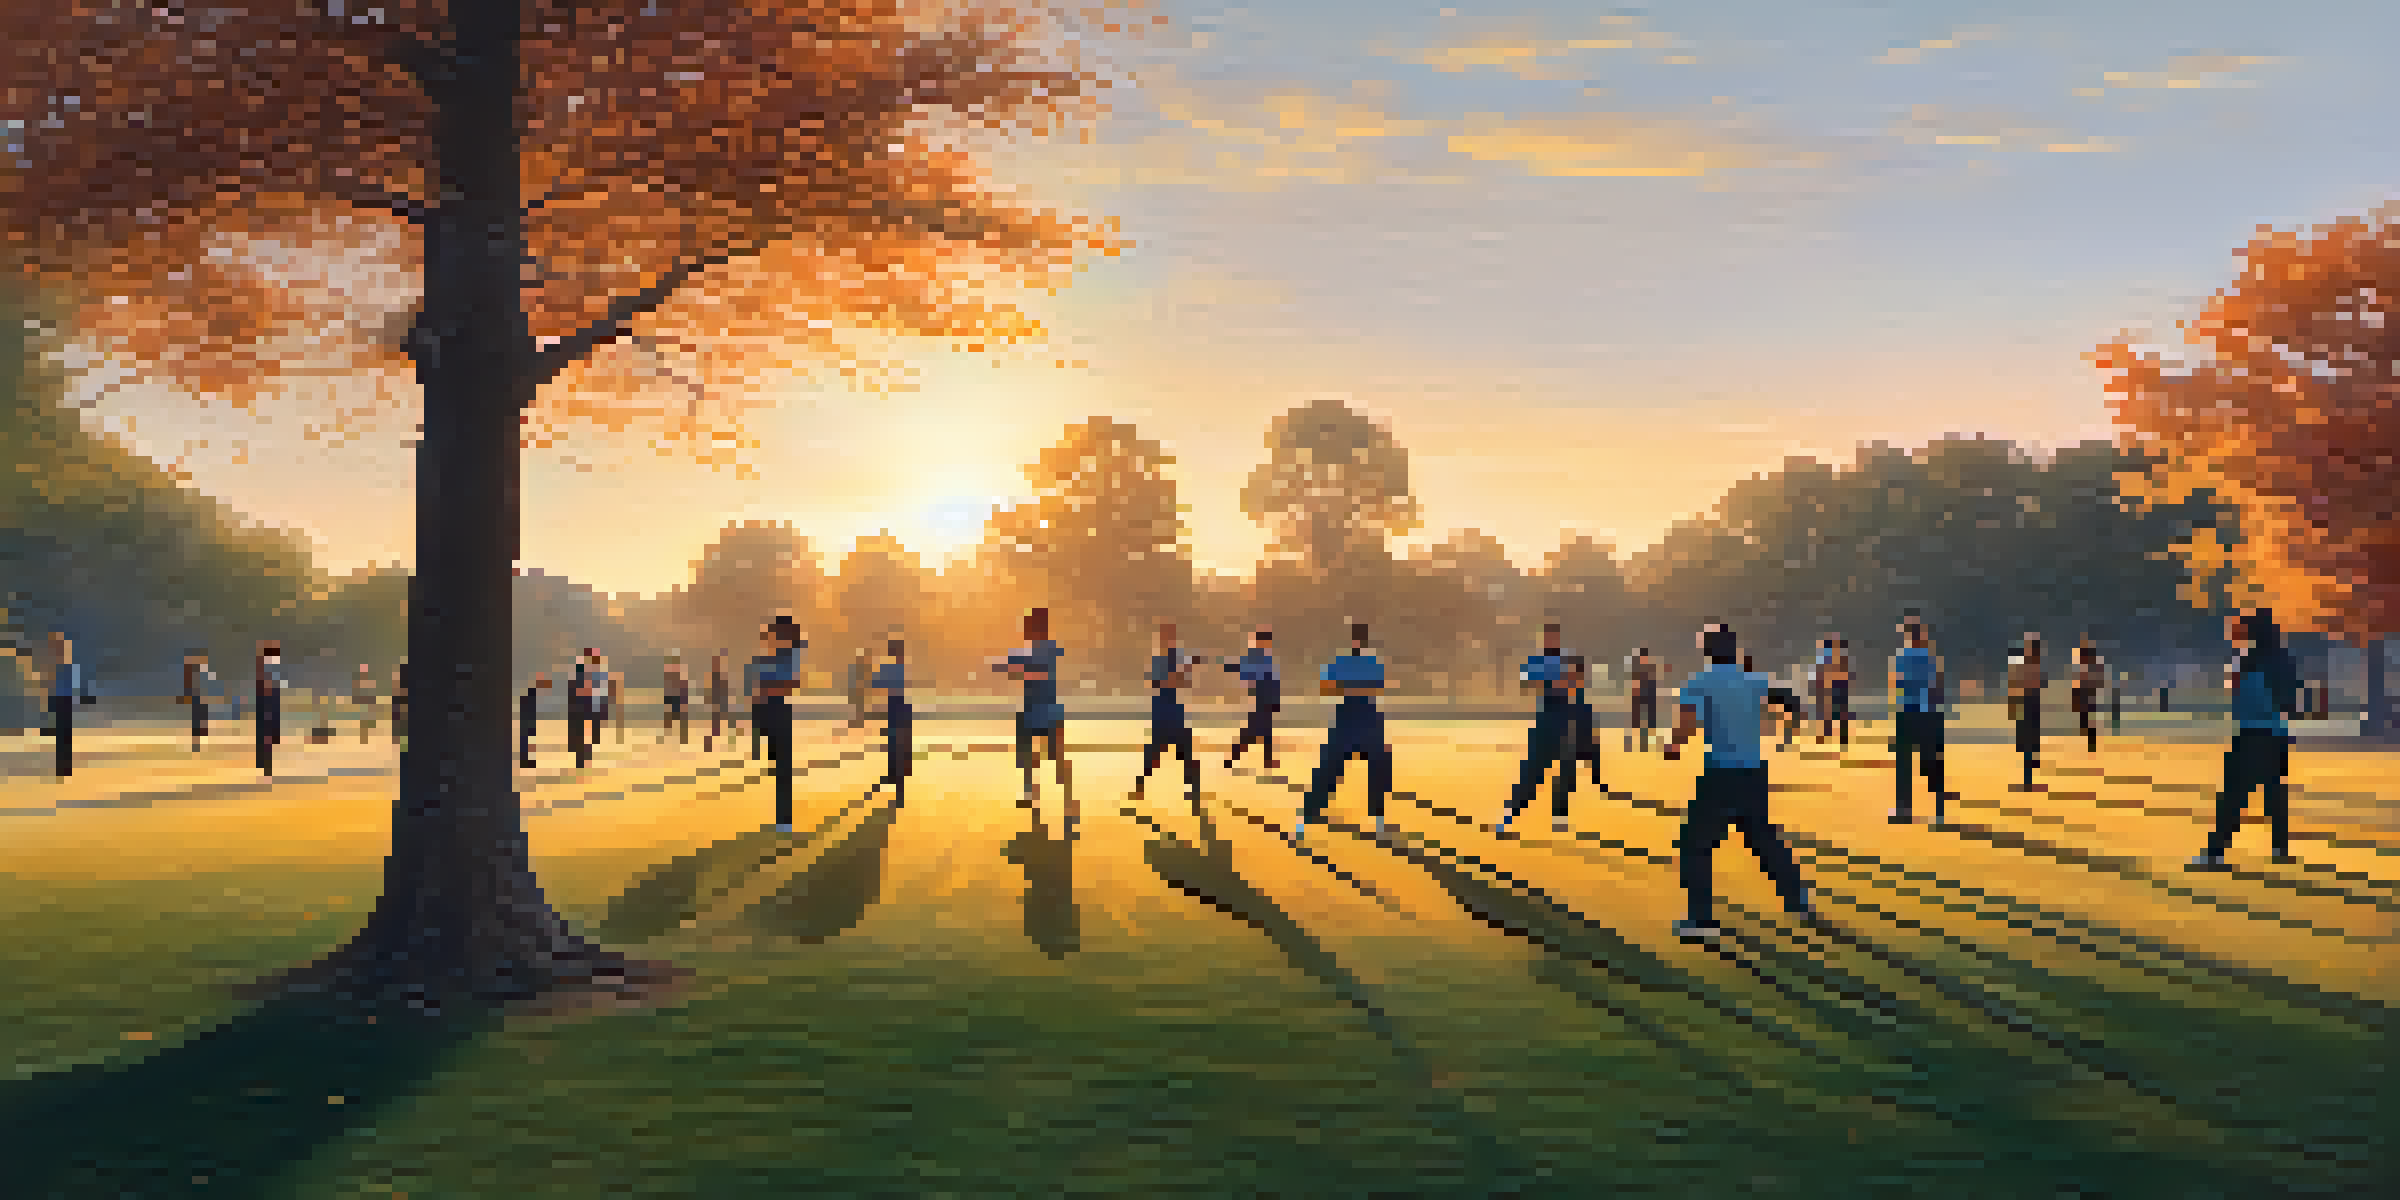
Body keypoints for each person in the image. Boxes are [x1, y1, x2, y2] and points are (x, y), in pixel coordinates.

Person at [1663, 622, 1813, 941]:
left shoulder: (1699, 682)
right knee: (1764, 839)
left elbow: (1687, 725)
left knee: (1695, 844)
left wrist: (1673, 745)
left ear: (1706, 651)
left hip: (1720, 773)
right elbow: (1788, 698)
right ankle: (1799, 901)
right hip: (1755, 773)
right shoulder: (1753, 680)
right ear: (1734, 649)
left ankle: (1701, 918)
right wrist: (1792, 723)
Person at [2190, 609, 2302, 871]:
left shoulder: (2247, 660)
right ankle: (2280, 849)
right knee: (2275, 793)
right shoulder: (2281, 660)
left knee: (2233, 795)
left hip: (2251, 732)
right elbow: (2291, 701)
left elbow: (2237, 697)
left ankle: (2215, 853)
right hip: (2276, 735)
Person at [1293, 622, 1394, 845]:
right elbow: (1369, 688)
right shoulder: (1368, 662)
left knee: (1337, 769)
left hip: (1356, 719)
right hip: (1360, 720)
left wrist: (1346, 687)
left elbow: (1331, 687)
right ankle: (1307, 819)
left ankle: (1306, 820)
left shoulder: (1349, 662)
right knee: (1333, 769)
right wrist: (1356, 687)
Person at [996, 608, 1074, 837]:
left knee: (1056, 756)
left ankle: (1068, 798)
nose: (1027, 630)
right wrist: (1011, 668)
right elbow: (1009, 666)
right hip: (1030, 710)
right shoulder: (1029, 650)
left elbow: (1036, 673)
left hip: (1048, 711)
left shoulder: (1049, 648)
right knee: (1029, 756)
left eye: (1029, 626)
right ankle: (1030, 793)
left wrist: (1017, 670)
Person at [1496, 622, 1575, 835]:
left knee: (1566, 771)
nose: (1551, 642)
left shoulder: (1566, 660)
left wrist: (1561, 683)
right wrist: (1547, 683)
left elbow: (1574, 684)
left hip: (1564, 723)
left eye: (1554, 638)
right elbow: (1525, 684)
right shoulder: (1536, 661)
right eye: (1547, 638)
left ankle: (1560, 817)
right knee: (1531, 773)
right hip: (1543, 724)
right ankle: (1509, 815)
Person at [746, 615, 807, 832]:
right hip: (767, 710)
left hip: (777, 709)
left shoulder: (788, 655)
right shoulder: (769, 657)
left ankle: (784, 819)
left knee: (782, 768)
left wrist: (767, 687)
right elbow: (757, 688)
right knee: (779, 766)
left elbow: (790, 684)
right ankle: (783, 819)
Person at [1889, 611, 1949, 826]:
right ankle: (1939, 811)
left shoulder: (1901, 657)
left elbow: (1897, 684)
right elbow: (1937, 686)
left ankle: (1904, 810)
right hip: (1930, 713)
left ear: (1906, 635)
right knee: (1933, 762)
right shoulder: (1931, 658)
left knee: (1904, 763)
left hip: (1907, 712)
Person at [1135, 622, 1205, 802]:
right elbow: (1165, 682)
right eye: (1166, 636)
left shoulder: (1175, 657)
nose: (1169, 640)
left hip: (1174, 712)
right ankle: (1140, 786)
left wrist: (1187, 668)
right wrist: (1185, 668)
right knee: (1154, 754)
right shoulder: (1158, 660)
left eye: (1170, 636)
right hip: (1162, 712)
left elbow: (1182, 682)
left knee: (1185, 751)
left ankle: (1192, 789)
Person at [1223, 627, 1282, 770]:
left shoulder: (1266, 657)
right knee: (1252, 732)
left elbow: (1273, 680)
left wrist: (1275, 701)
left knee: (1264, 731)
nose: (1268, 643)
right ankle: (1233, 758)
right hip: (1261, 698)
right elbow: (1250, 674)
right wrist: (1234, 667)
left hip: (1265, 698)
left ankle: (1266, 761)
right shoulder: (1257, 657)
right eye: (1265, 640)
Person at [870, 637, 913, 802]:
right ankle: (895, 776)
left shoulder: (893, 669)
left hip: (896, 707)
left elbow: (876, 682)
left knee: (897, 744)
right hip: (900, 707)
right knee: (896, 743)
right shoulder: (902, 668)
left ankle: (898, 781)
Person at [46, 632, 95, 777]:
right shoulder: (59, 666)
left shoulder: (67, 666)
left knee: (63, 734)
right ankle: (63, 766)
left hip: (64, 700)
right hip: (60, 699)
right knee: (62, 734)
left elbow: (76, 683)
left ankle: (64, 767)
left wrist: (83, 696)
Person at [2008, 633, 2046, 791]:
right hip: (2025, 705)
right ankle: (2027, 779)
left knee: (2030, 744)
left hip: (2031, 705)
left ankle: (2028, 779)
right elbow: (2014, 685)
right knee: (2027, 745)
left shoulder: (2033, 664)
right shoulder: (2023, 663)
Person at [255, 640, 286, 777]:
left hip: (270, 697)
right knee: (266, 731)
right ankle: (265, 763)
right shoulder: (267, 662)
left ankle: (264, 761)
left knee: (267, 731)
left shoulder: (272, 662)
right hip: (267, 697)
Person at [181, 650, 222, 754]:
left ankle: (198, 744)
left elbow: (211, 683)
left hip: (202, 699)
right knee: (197, 722)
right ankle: (196, 745)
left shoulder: (202, 671)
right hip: (197, 699)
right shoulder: (191, 672)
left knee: (201, 722)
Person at [2071, 636, 2105, 753]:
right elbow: (2076, 677)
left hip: (2089, 691)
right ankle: (2089, 741)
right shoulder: (2079, 660)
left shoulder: (2093, 661)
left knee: (2089, 717)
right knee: (2084, 717)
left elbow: (2098, 676)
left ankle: (2091, 743)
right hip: (2083, 690)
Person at [1629, 647, 1660, 752]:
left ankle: (1647, 744)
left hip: (1649, 696)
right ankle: (1637, 744)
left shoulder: (1651, 669)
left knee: (1650, 721)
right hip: (1638, 697)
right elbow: (1634, 685)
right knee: (1637, 721)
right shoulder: (1636, 670)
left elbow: (1654, 684)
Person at [568, 651, 594, 768]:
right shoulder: (578, 674)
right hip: (579, 708)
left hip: (585, 708)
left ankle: (583, 760)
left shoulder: (590, 675)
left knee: (585, 735)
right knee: (580, 735)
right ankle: (582, 760)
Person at [520, 673, 550, 769]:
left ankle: (528, 761)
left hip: (529, 722)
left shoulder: (531, 694)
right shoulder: (530, 695)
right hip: (528, 722)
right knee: (527, 741)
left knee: (528, 741)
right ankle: (527, 761)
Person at [707, 648, 732, 754]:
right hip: (716, 701)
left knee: (718, 722)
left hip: (720, 700)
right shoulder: (714, 675)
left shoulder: (722, 674)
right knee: (715, 722)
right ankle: (710, 744)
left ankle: (713, 743)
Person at [662, 654, 690, 745]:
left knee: (681, 717)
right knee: (670, 716)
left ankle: (683, 737)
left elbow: (684, 683)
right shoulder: (670, 671)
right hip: (671, 694)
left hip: (679, 695)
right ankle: (669, 736)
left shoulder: (681, 670)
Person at [351, 663, 380, 745]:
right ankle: (364, 739)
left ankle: (365, 739)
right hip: (362, 704)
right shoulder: (357, 682)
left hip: (367, 704)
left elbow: (373, 693)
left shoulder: (371, 682)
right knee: (363, 722)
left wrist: (373, 703)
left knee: (367, 722)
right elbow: (355, 693)